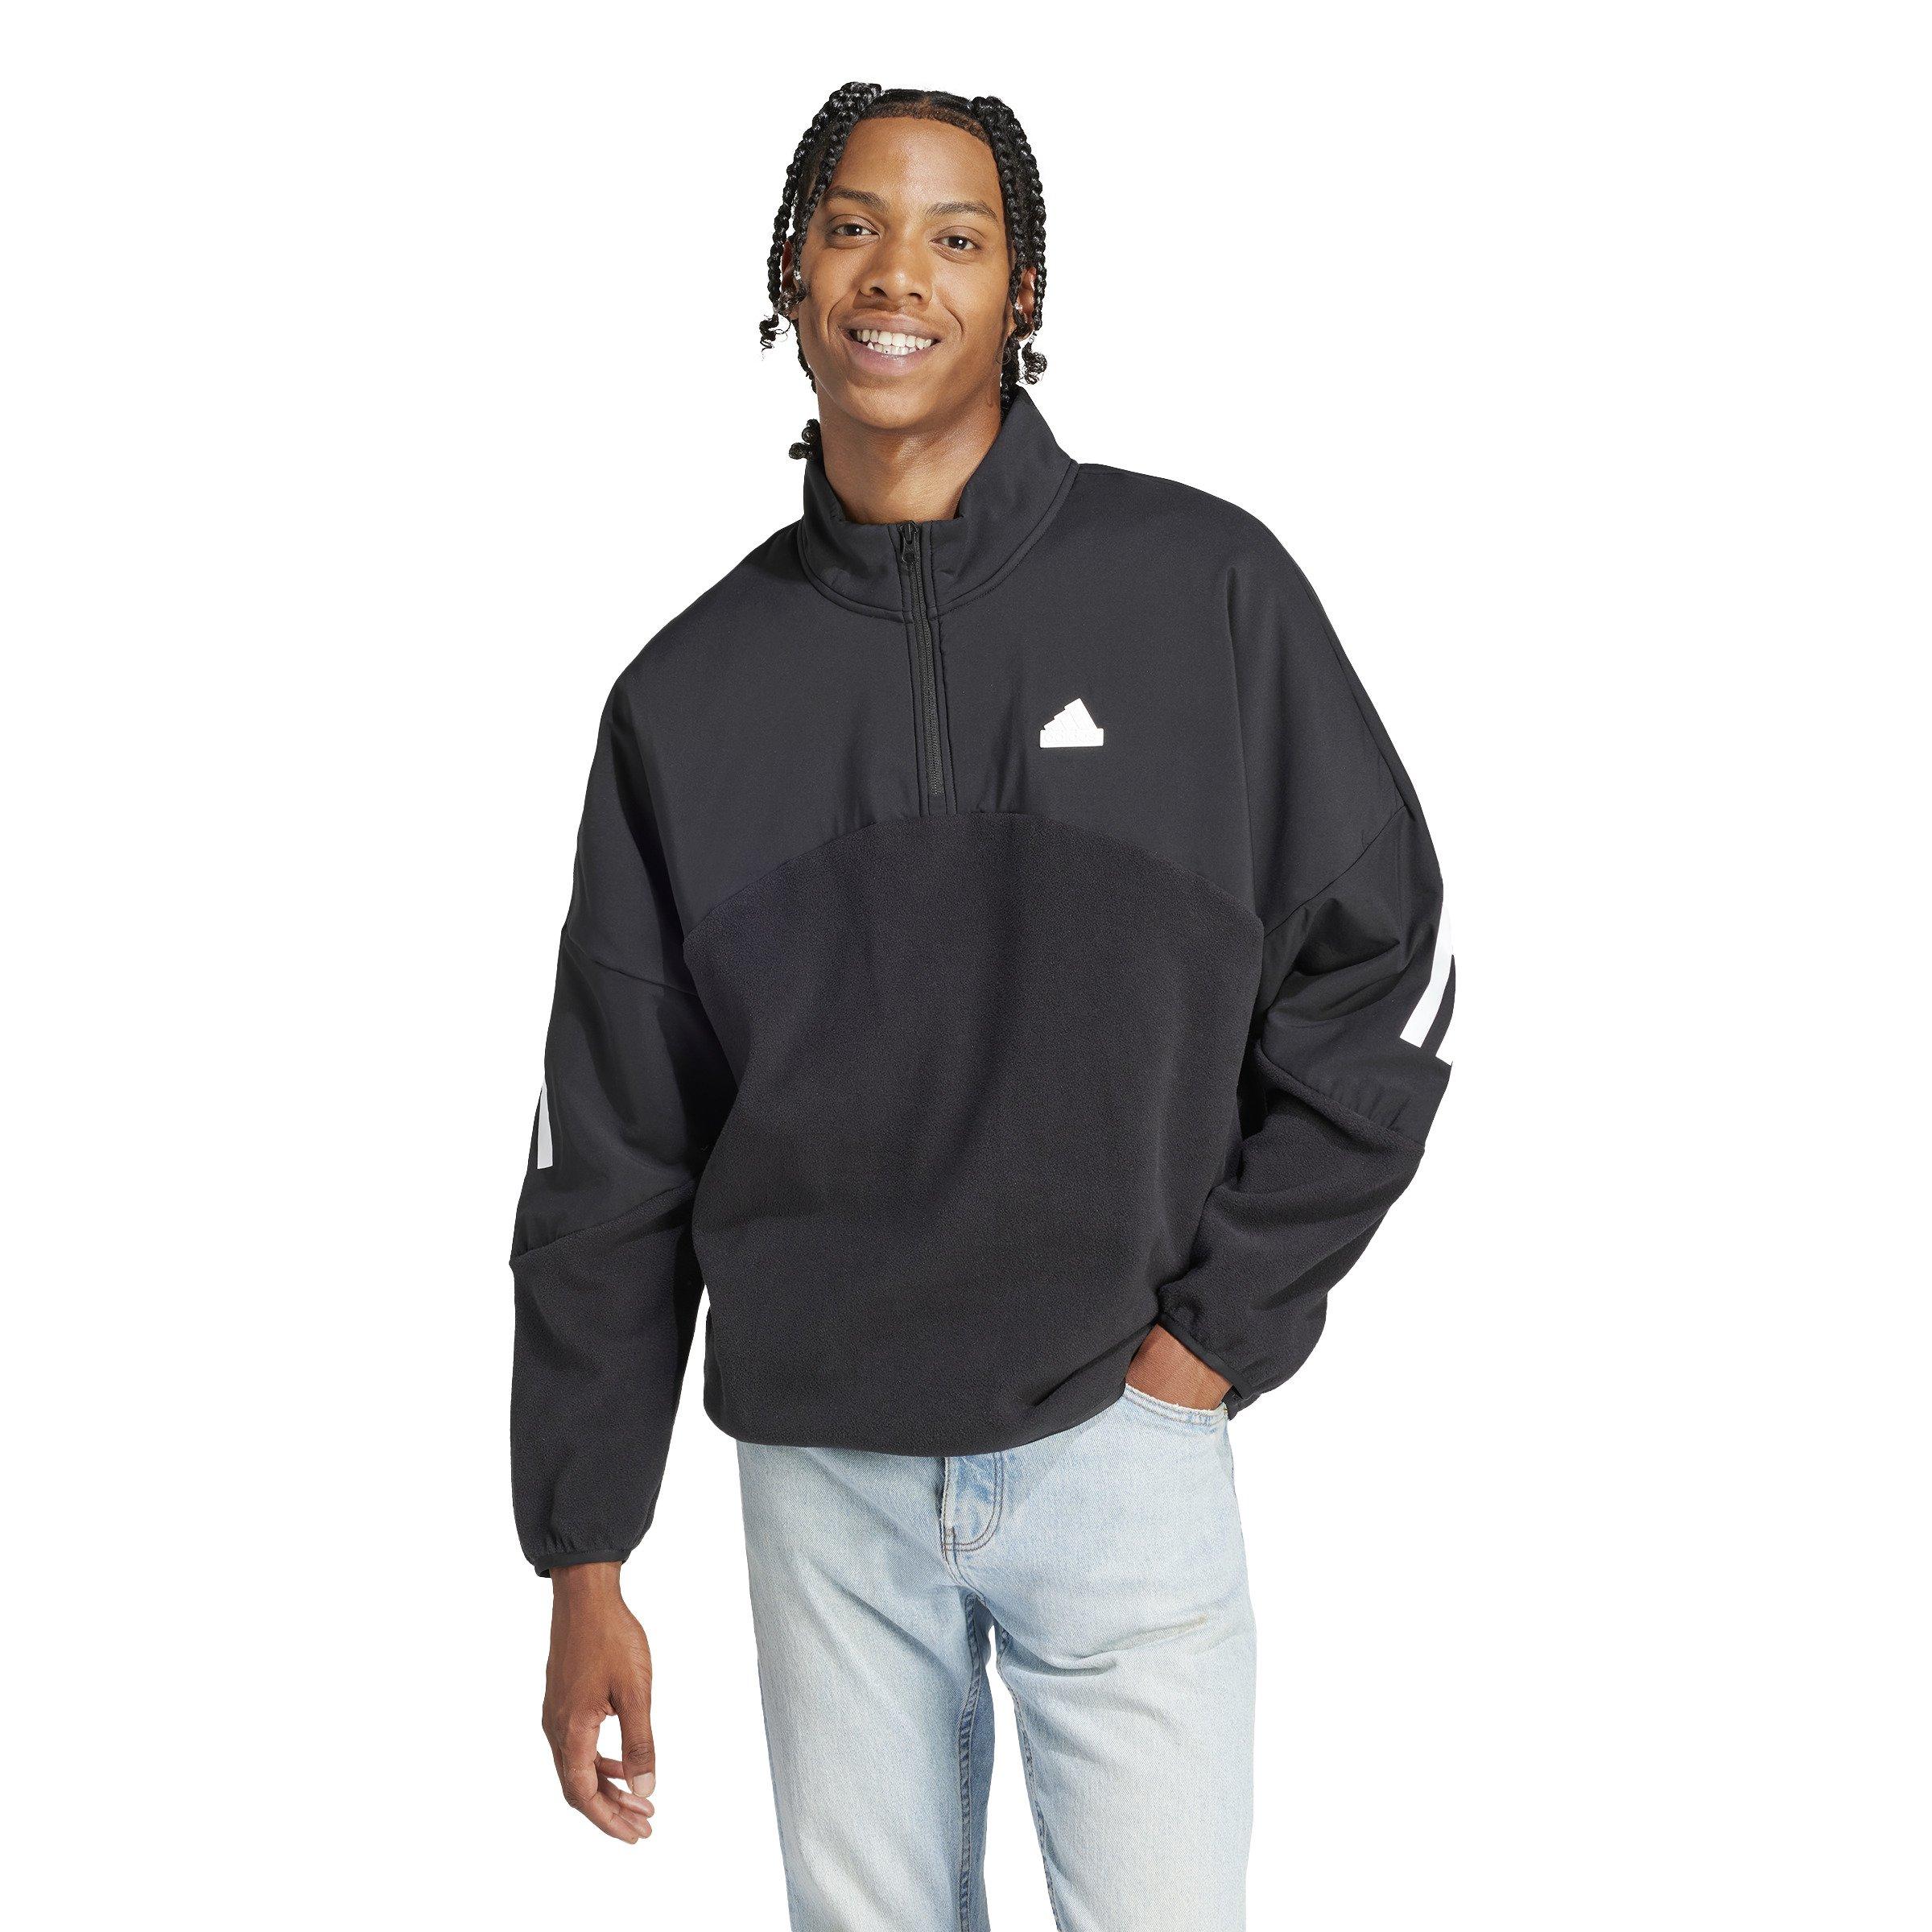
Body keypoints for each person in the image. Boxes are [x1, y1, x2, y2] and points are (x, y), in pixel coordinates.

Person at [510, 81, 1455, 1932]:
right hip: (825, 1483)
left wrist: (1207, 1345)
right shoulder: (685, 701)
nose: (898, 276)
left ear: (1023, 291)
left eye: (957, 237)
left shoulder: (1205, 592)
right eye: (854, 227)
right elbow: (611, 1144)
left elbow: (1391, 971)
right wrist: (585, 1549)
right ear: (790, 272)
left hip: (1124, 1436)